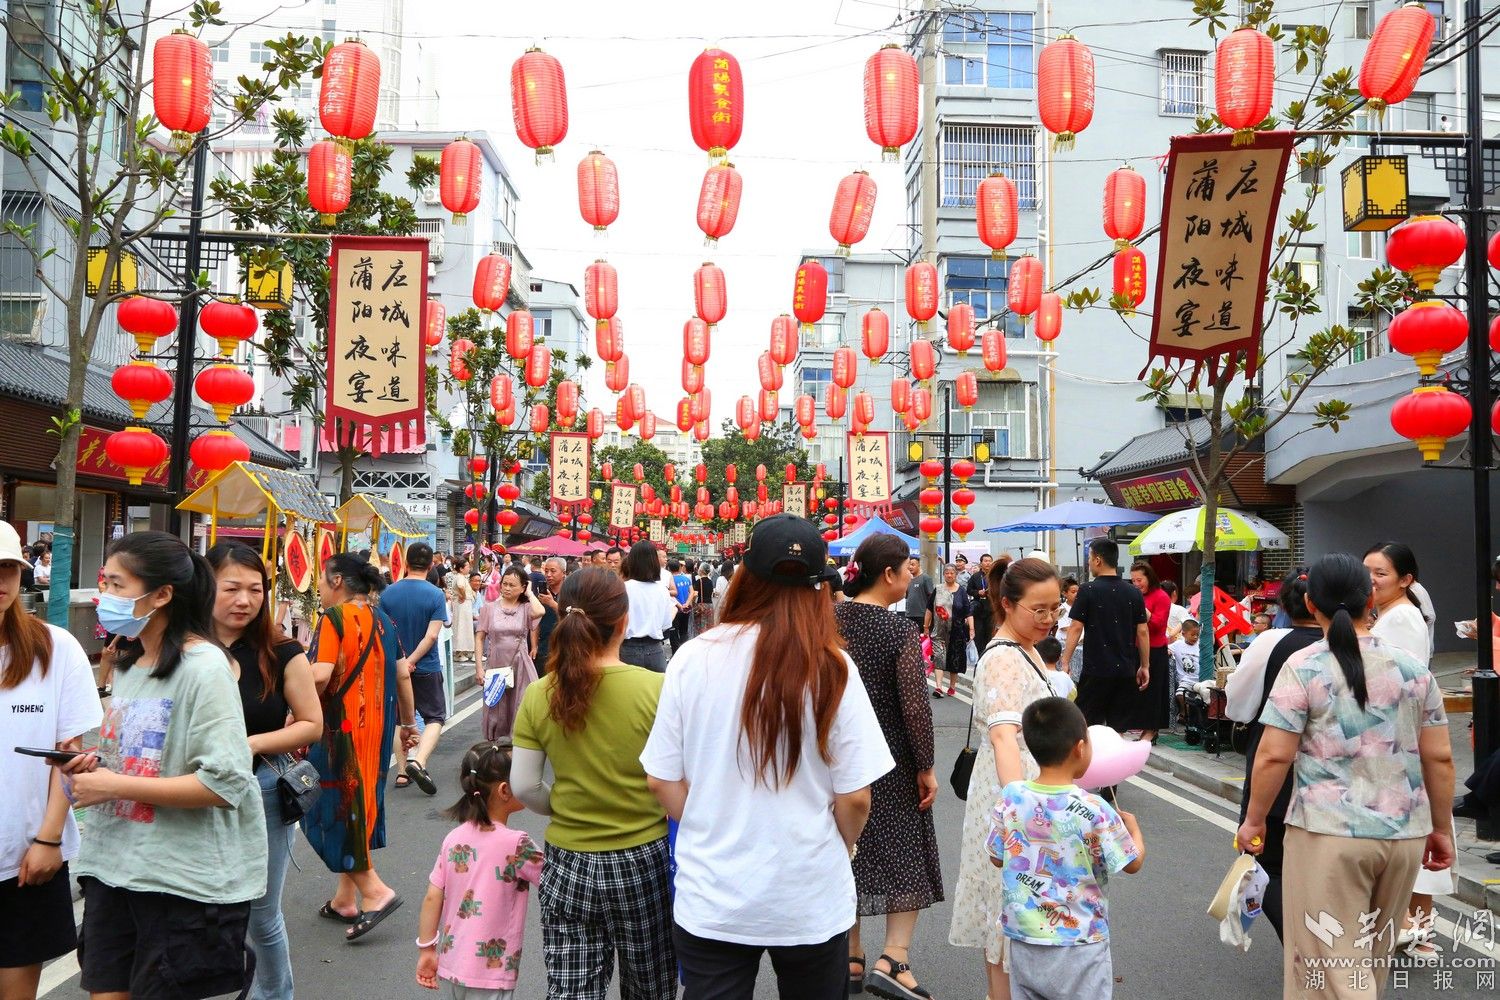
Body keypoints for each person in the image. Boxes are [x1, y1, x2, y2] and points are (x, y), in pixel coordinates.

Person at [642, 514, 892, 998]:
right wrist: (840, 844)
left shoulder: (694, 657)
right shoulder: (833, 667)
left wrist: (707, 823)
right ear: (821, 588)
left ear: (744, 576)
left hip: (714, 894)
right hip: (810, 892)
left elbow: (660, 779)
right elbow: (856, 796)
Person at [1237, 553, 1455, 999]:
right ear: (1370, 597)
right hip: (1403, 836)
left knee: (1328, 968)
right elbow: (1440, 758)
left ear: (1311, 602)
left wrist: (1255, 820)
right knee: (1369, 961)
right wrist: (1440, 827)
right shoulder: (1414, 670)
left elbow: (1273, 756)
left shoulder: (1305, 666)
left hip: (1327, 833)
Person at [69, 531, 267, 997]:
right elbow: (141, 763)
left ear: (161, 595)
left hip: (178, 883)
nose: (106, 597)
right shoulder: (129, 664)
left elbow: (224, 784)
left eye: (118, 586)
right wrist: (91, 767)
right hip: (112, 868)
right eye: (106, 584)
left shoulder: (204, 668)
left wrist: (115, 785)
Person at [511, 568, 676, 1000]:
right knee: (650, 985)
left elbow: (525, 786)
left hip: (567, 860)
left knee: (571, 988)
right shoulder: (658, 689)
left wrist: (564, 804)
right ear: (622, 622)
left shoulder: (540, 694)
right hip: (644, 860)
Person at [208, 543, 323, 1000]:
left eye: (255, 589)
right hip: (193, 790)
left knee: (261, 914)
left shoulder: (282, 650)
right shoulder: (186, 647)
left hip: (261, 790)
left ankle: (274, 995)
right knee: (206, 905)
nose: (244, 600)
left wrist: (253, 744)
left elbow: (311, 723)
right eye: (231, 587)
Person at [834, 534, 942, 999]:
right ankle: (894, 958)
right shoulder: (897, 630)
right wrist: (926, 765)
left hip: (838, 755)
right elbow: (915, 706)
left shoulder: (828, 619)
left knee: (847, 849)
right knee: (906, 855)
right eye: (908, 569)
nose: (912, 575)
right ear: (889, 575)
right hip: (891, 758)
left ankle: (852, 957)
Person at [950, 558, 1063, 1000]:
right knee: (1010, 905)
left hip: (1029, 786)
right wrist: (1020, 807)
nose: (1049, 619)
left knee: (1024, 906)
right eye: (1038, 609)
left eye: (1054, 608)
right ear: (1007, 604)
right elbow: (1002, 737)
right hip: (1013, 788)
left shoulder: (1027, 648)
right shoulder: (1001, 659)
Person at [0, 521, 100, 1000]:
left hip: (23, 859)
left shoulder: (55, 648)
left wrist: (48, 839)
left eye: (8, 570)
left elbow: (69, 754)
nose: (0, 582)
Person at [987, 697, 1144, 998]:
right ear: (1080, 748)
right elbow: (1131, 862)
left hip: (1024, 938)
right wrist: (1133, 830)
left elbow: (997, 858)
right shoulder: (1094, 808)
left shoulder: (1011, 797)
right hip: (1081, 941)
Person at [304, 552, 412, 941]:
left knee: (325, 809)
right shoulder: (384, 621)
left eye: (320, 578)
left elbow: (319, 677)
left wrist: (294, 713)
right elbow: (402, 675)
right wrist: (408, 724)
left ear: (336, 582)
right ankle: (345, 899)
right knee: (358, 807)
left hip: (339, 734)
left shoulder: (333, 619)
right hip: (376, 736)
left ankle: (375, 892)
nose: (318, 586)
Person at [1223, 572, 1321, 941]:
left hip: (1277, 762)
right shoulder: (1361, 645)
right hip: (1341, 782)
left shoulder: (1271, 643)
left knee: (1271, 866)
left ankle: (1303, 943)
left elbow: (1238, 704)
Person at [1362, 540, 1447, 953]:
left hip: (1399, 740)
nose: (1371, 581)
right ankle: (1413, 927)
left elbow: (1400, 685)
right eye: (1368, 572)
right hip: (1395, 738)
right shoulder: (1392, 613)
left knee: (1412, 830)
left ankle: (1419, 929)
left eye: (1381, 574)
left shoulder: (1401, 619)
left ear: (1406, 580)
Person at [416, 740, 543, 999]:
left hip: (452, 964)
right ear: (505, 790)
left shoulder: (454, 839)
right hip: (491, 973)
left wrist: (427, 949)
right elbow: (557, 880)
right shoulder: (517, 844)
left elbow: (433, 896)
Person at [1061, 540, 1149, 734]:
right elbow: (1142, 631)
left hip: (1096, 670)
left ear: (1098, 560)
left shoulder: (1088, 590)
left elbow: (1075, 627)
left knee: (1087, 726)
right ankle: (1115, 764)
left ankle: (1091, 763)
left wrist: (1065, 661)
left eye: (1090, 559)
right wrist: (1144, 666)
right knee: (1118, 730)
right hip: (1126, 670)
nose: (1089, 563)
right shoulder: (1133, 592)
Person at [383, 542, 450, 795]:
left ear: (406, 564)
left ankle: (401, 772)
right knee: (434, 717)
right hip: (426, 666)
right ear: (431, 565)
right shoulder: (435, 595)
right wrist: (412, 660)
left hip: (395, 668)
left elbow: (385, 633)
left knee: (399, 719)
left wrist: (402, 663)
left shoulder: (388, 593)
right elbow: (431, 636)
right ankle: (418, 761)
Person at [475, 565, 544, 741]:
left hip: (520, 663)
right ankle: (494, 748)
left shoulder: (527, 607)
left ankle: (517, 745)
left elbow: (540, 611)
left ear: (522, 587)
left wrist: (530, 593)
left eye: (512, 585)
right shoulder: (489, 608)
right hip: (496, 663)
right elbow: (480, 638)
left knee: (519, 705)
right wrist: (479, 669)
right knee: (496, 707)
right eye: (504, 583)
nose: (506, 588)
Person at [1129, 561, 1172, 742]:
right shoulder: (1135, 596)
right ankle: (1141, 726)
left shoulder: (1161, 597)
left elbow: (1157, 625)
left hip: (1155, 649)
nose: (1137, 584)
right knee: (1138, 691)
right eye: (1133, 581)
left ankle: (1151, 729)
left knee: (1153, 691)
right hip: (1136, 648)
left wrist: (1144, 611)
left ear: (1149, 577)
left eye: (1140, 580)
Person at [620, 540, 676, 671]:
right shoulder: (662, 590)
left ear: (632, 561)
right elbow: (666, 624)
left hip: (628, 650)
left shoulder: (623, 588)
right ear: (654, 562)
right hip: (655, 650)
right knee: (656, 690)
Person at [931, 563, 972, 699]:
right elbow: (929, 609)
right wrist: (926, 627)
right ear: (944, 575)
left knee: (955, 659)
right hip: (940, 630)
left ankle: (952, 686)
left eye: (952, 573)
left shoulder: (961, 591)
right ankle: (938, 686)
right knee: (939, 657)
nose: (949, 575)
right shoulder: (938, 589)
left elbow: (968, 612)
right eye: (947, 573)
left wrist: (971, 628)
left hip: (957, 630)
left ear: (955, 575)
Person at [534, 557, 566, 673]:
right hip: (544, 646)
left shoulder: (570, 593)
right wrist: (534, 646)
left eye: (553, 571)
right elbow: (535, 621)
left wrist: (552, 604)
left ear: (563, 573)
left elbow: (570, 618)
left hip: (564, 646)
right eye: (546, 571)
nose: (548, 575)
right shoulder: (541, 594)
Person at [1169, 618, 1203, 721]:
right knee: (1180, 694)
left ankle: (1199, 717)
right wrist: (1168, 651)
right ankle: (1184, 712)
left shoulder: (1200, 645)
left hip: (1199, 679)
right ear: (1183, 634)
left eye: (1197, 635)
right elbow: (1167, 647)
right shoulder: (1178, 645)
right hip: (1185, 680)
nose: (1195, 637)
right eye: (1192, 635)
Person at [448, 554, 475, 665]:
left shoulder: (461, 577)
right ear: (461, 568)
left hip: (464, 606)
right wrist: (463, 596)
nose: (469, 568)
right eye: (467, 566)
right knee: (461, 628)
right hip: (462, 605)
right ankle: (459, 653)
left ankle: (463, 651)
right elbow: (460, 586)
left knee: (464, 628)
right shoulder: (459, 577)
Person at [967, 553, 995, 654]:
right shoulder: (975, 576)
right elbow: (969, 590)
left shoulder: (995, 576)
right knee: (979, 638)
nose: (988, 563)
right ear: (981, 563)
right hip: (978, 611)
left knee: (990, 637)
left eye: (990, 561)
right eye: (985, 561)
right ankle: (980, 658)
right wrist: (978, 592)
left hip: (991, 610)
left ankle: (989, 657)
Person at [903, 556, 935, 641]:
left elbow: (931, 598)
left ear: (919, 565)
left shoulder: (925, 578)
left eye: (913, 564)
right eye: (909, 565)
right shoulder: (908, 580)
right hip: (909, 615)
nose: (910, 567)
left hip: (921, 616)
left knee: (922, 642)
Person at [1056, 575, 1082, 680]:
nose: (1076, 594)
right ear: (1064, 593)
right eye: (1073, 592)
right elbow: (1065, 627)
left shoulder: (1080, 607)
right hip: (1065, 643)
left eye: (1078, 591)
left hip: (1079, 644)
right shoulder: (1062, 609)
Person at [1035, 635, 1074, 700]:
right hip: (1061, 709)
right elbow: (1072, 695)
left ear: (1037, 655)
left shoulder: (1034, 674)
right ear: (1059, 657)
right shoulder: (1065, 676)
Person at [668, 558, 693, 653]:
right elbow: (691, 592)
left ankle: (675, 653)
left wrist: (679, 606)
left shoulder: (670, 580)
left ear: (669, 569)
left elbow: (671, 596)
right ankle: (684, 652)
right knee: (684, 631)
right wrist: (686, 603)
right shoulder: (686, 579)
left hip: (675, 611)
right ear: (679, 568)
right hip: (686, 609)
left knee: (674, 632)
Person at [690, 561, 715, 638]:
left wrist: (692, 604)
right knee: (708, 625)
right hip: (710, 606)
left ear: (701, 570)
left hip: (701, 606)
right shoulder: (710, 581)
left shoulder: (698, 581)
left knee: (700, 625)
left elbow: (695, 595)